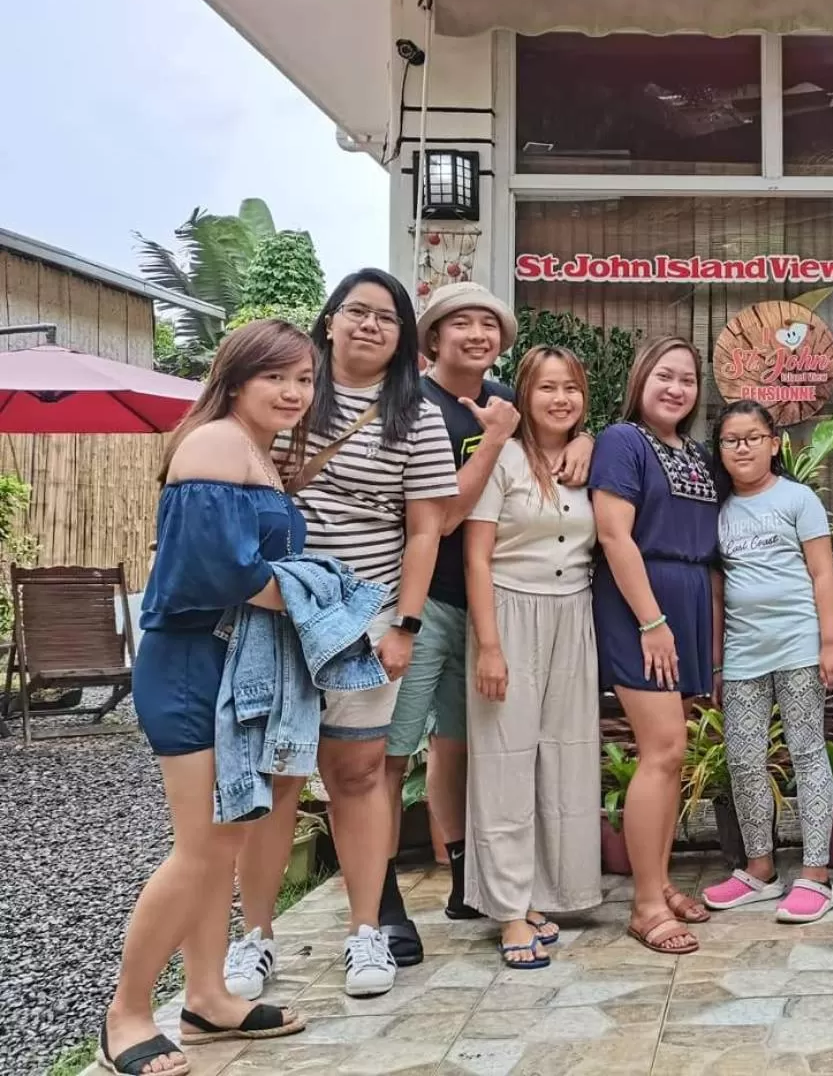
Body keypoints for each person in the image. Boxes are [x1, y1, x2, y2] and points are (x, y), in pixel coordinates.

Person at [227, 270, 459, 1001]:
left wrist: (406, 624)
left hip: (366, 616)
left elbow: (426, 528)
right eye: (355, 312)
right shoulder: (288, 392)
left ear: (404, 338)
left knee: (357, 776)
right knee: (277, 778)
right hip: (274, 614)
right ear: (328, 321)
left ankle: (366, 932)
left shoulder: (414, 415)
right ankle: (256, 936)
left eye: (386, 318)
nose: (369, 326)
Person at [101, 321, 314, 1076]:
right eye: (277, 378)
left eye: (304, 380)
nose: (294, 393)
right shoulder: (216, 444)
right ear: (236, 378)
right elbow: (216, 573)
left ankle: (206, 996)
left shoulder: (254, 449)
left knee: (222, 844)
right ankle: (126, 1013)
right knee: (200, 850)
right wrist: (322, 602)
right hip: (194, 663)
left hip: (232, 664)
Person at [375, 282, 593, 962]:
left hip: (492, 609)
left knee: (461, 747)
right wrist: (499, 438)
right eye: (460, 322)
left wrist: (584, 435)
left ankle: (480, 881)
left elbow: (554, 413)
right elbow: (445, 521)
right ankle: (378, 899)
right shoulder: (407, 402)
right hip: (424, 604)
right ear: (431, 336)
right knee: (388, 755)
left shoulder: (500, 398)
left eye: (488, 324)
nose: (476, 333)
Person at [464, 345, 602, 967]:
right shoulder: (504, 459)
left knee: (565, 755)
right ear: (524, 393)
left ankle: (546, 892)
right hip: (509, 609)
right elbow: (475, 556)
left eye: (570, 388)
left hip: (573, 611)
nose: (560, 399)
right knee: (505, 760)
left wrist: (590, 440)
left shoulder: (587, 459)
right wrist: (489, 646)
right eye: (547, 387)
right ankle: (509, 911)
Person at [590, 337, 721, 955]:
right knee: (662, 750)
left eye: (688, 379)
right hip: (642, 603)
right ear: (641, 378)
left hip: (688, 598)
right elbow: (614, 535)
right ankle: (644, 904)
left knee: (673, 751)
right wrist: (650, 620)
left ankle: (659, 879)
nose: (676, 388)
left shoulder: (694, 452)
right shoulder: (622, 440)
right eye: (664, 376)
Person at [700, 400, 833, 925]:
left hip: (798, 645)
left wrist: (830, 643)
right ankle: (759, 870)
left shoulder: (797, 498)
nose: (742, 447)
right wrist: (716, 664)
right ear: (720, 449)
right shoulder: (716, 510)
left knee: (807, 753)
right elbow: (717, 594)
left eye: (752, 437)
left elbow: (823, 574)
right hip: (742, 653)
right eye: (730, 439)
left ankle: (815, 873)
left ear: (773, 443)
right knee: (743, 759)